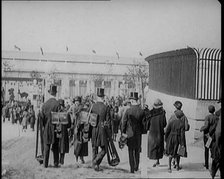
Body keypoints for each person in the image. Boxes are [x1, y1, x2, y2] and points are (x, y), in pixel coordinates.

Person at [121, 92, 144, 173]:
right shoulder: (141, 111)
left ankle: (131, 168)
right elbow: (144, 124)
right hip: (138, 134)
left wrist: (123, 132)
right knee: (137, 150)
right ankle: (136, 167)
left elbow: (123, 123)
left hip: (129, 134)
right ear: (137, 100)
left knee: (130, 151)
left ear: (132, 100)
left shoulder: (128, 111)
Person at [40, 84, 60, 168]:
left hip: (47, 127)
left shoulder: (45, 104)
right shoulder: (58, 104)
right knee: (55, 146)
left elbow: (42, 118)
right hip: (55, 127)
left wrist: (45, 125)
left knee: (47, 145)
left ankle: (45, 163)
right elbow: (60, 117)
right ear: (56, 93)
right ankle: (56, 163)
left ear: (49, 93)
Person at [91, 88, 111, 171]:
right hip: (102, 130)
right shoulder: (106, 107)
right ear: (103, 97)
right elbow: (108, 122)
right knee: (104, 149)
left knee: (94, 147)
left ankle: (94, 163)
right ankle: (96, 162)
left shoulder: (93, 106)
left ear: (97, 96)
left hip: (94, 129)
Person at [168, 101, 189, 168]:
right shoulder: (184, 116)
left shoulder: (172, 115)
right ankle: (177, 165)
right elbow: (186, 128)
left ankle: (173, 162)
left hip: (172, 135)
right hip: (181, 135)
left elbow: (168, 126)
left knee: (172, 149)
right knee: (179, 150)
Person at [147, 98, 167, 167]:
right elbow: (165, 123)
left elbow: (147, 123)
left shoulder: (150, 113)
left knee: (153, 145)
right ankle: (157, 160)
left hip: (152, 132)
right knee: (159, 145)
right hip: (159, 132)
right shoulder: (162, 113)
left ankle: (153, 159)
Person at [200, 105, 219, 169]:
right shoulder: (217, 118)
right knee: (213, 149)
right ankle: (214, 165)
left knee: (206, 149)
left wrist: (201, 129)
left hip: (208, 136)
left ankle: (206, 164)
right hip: (214, 136)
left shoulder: (207, 117)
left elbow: (206, 126)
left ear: (209, 110)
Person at [72, 96, 89, 164]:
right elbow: (73, 118)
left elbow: (86, 115)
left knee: (83, 143)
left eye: (78, 101)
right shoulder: (73, 108)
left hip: (82, 127)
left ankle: (81, 157)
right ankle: (76, 157)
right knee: (76, 143)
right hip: (76, 128)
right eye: (76, 101)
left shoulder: (83, 108)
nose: (76, 103)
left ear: (80, 102)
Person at [57, 99, 71, 165]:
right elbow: (69, 125)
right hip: (64, 131)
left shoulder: (56, 113)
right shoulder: (66, 113)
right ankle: (62, 160)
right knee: (63, 146)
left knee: (58, 145)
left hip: (57, 131)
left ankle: (58, 160)